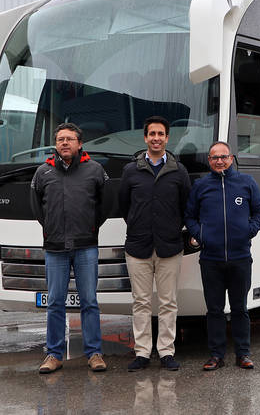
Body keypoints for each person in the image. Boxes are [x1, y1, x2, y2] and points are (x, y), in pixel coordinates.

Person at [30, 122, 108, 374]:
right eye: (60, 139)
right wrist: (52, 228)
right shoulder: (43, 172)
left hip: (86, 246)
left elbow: (105, 205)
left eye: (70, 139)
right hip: (55, 248)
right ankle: (53, 354)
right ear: (55, 144)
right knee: (54, 302)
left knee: (89, 301)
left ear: (80, 143)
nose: (65, 143)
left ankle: (94, 353)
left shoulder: (95, 170)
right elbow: (36, 208)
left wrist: (90, 228)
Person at [184, 141, 260, 370]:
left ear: (231, 158)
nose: (219, 161)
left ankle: (243, 354)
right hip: (211, 259)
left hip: (240, 258)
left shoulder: (246, 183)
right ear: (209, 161)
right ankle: (216, 356)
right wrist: (200, 235)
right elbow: (189, 216)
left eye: (223, 156)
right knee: (214, 310)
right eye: (214, 158)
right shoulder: (201, 186)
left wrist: (248, 231)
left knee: (240, 308)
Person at [118, 116, 191, 371]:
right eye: (152, 134)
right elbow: (124, 207)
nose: (156, 138)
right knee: (141, 302)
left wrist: (170, 227)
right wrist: (139, 226)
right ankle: (142, 353)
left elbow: (186, 206)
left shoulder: (178, 172)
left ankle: (166, 352)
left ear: (167, 138)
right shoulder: (131, 171)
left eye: (161, 134)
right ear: (145, 137)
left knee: (168, 302)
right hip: (138, 248)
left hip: (169, 247)